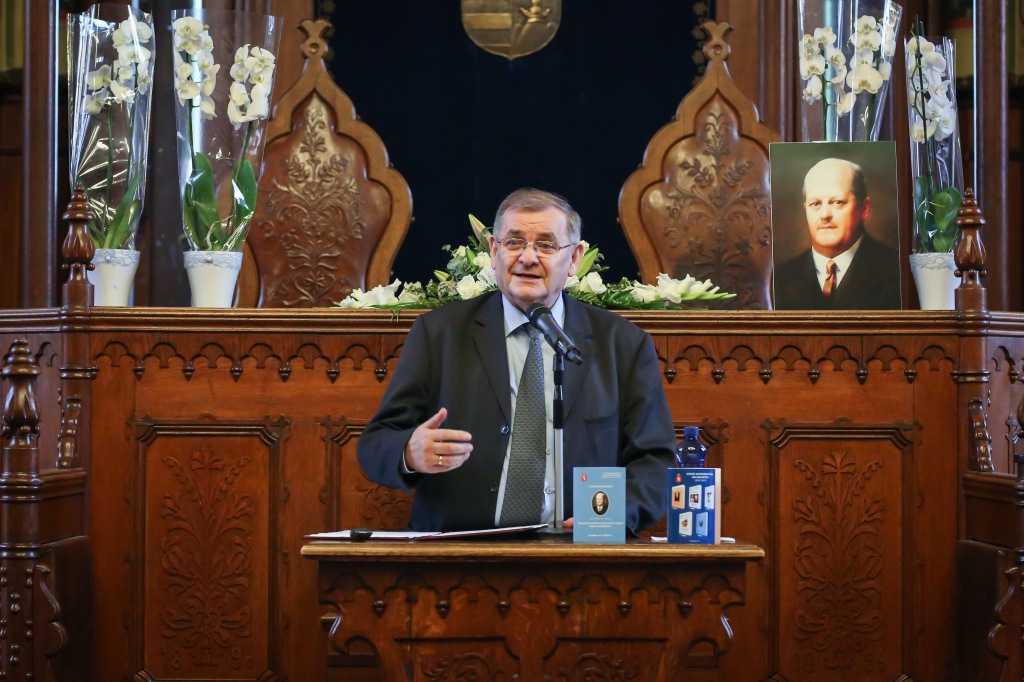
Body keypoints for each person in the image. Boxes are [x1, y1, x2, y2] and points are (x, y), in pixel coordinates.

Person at [357, 188, 676, 532]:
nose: (527, 257)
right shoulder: (439, 334)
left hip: (578, 549)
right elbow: (376, 443)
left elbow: (655, 462)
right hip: (459, 550)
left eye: (546, 245)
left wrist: (609, 517)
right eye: (514, 242)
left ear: (573, 259)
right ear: (494, 251)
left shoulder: (623, 344)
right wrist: (409, 452)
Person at [773, 157, 901, 310]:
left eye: (838, 202)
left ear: (864, 208)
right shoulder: (780, 278)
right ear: (806, 208)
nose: (825, 215)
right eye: (816, 203)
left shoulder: (896, 271)